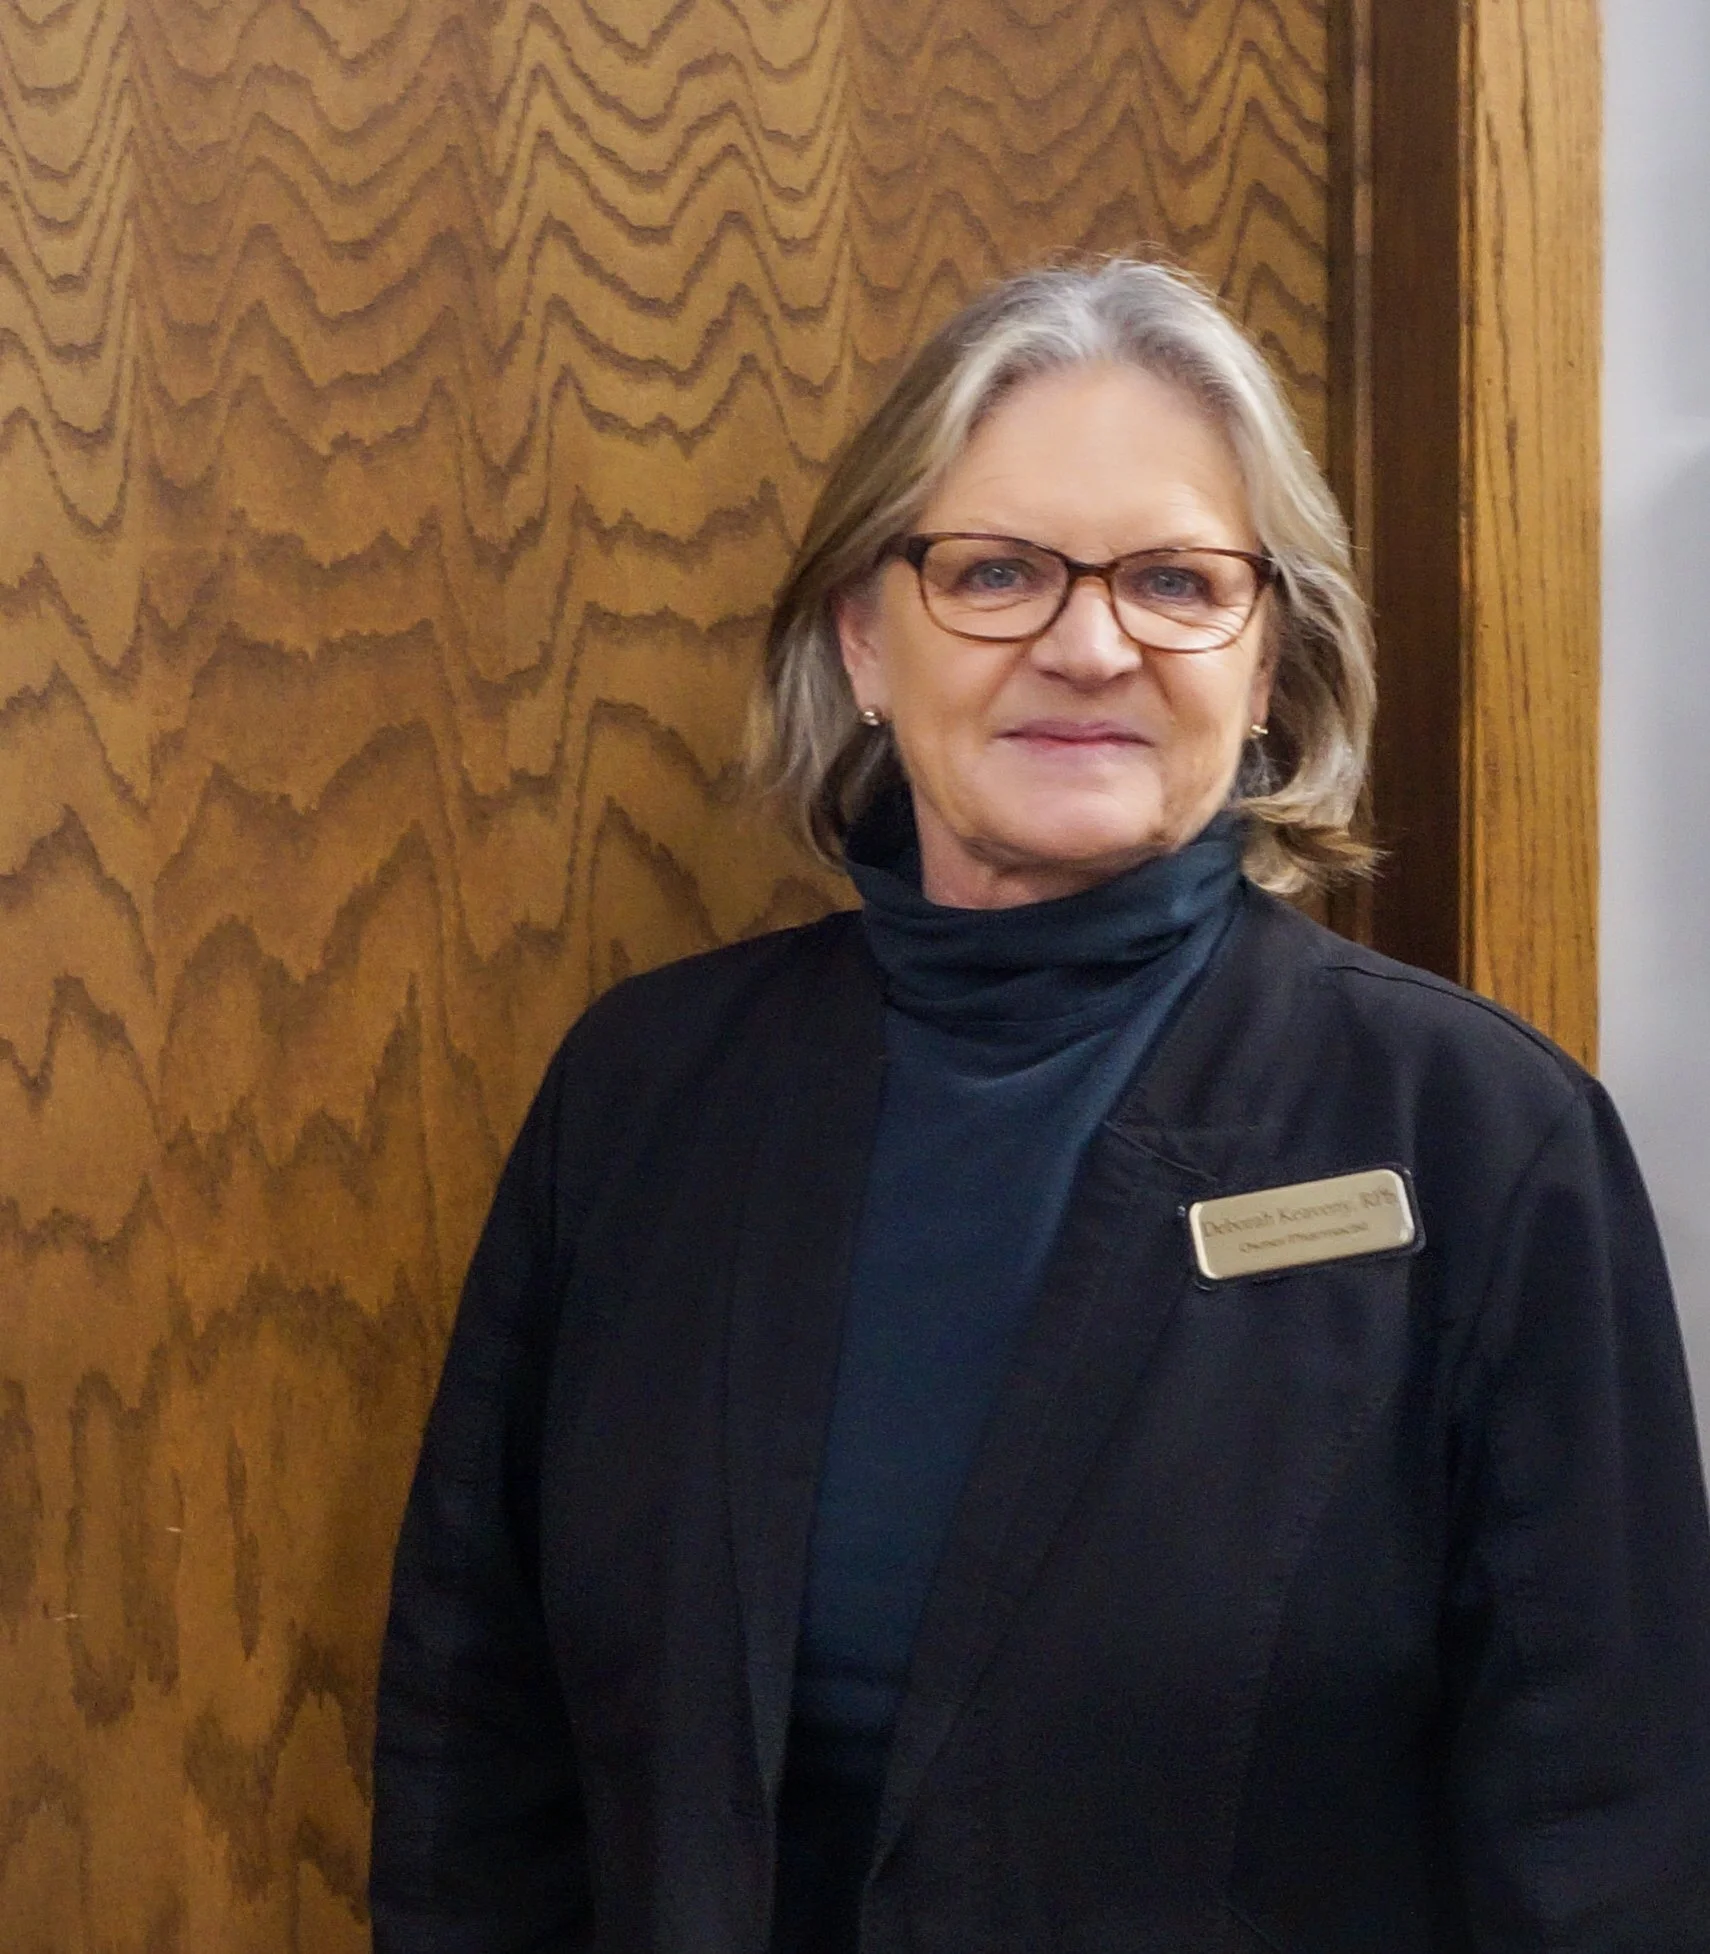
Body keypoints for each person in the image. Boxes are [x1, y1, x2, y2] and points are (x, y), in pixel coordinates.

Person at [369, 260, 1710, 1953]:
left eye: (1173, 579)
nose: (1087, 645)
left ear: (1266, 660)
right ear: (864, 637)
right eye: (994, 571)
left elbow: (1606, 1837)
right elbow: (471, 1755)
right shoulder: (643, 1094)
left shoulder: (1477, 1137)